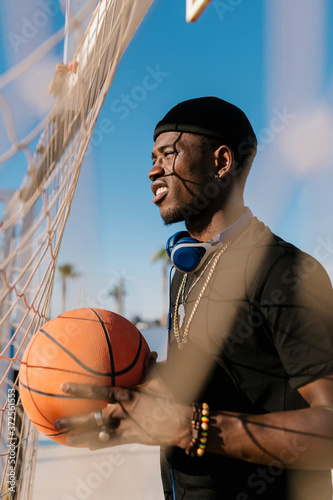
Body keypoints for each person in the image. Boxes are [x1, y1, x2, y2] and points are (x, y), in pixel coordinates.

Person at [55, 97, 333, 500]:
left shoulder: (287, 271)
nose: (153, 169)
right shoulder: (186, 270)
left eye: (169, 154)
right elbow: (234, 373)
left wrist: (190, 429)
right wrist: (131, 387)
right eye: (152, 157)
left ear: (221, 163)